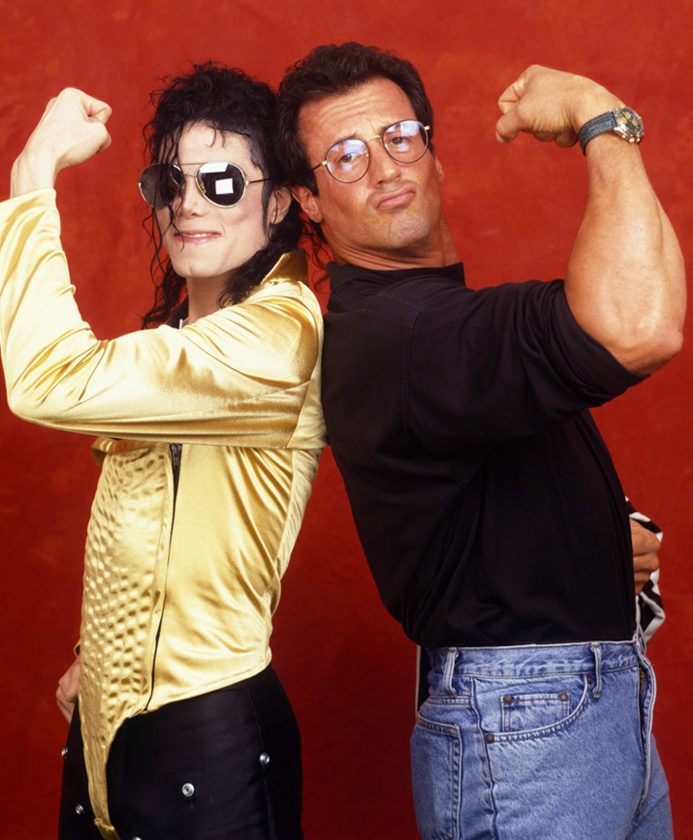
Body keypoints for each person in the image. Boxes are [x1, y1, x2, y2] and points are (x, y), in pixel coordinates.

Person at [276, 43, 685, 839]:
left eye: (399, 136)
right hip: (529, 728)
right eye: (346, 156)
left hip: (581, 708)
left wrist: (600, 537)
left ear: (432, 152)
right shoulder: (403, 334)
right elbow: (643, 324)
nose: (385, 167)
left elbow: (482, 490)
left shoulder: (434, 321)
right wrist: (599, 115)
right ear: (309, 201)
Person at [0, 63, 326, 840]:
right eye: (171, 182)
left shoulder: (278, 335)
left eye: (222, 183)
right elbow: (151, 519)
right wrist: (100, 654)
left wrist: (33, 172)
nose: (189, 204)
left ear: (277, 202)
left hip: (210, 727)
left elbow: (45, 382)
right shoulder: (176, 340)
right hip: (110, 728)